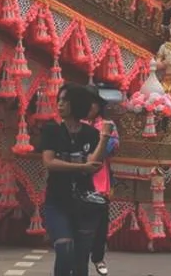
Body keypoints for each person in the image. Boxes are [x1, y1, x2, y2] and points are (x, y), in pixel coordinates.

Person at [40, 83, 108, 276]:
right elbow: (49, 161)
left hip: (84, 203)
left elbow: (94, 164)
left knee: (80, 260)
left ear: (76, 104)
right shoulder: (52, 130)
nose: (60, 105)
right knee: (64, 248)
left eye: (65, 101)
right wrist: (81, 167)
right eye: (59, 100)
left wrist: (104, 138)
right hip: (57, 201)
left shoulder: (91, 134)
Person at [84, 87, 118, 276]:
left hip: (99, 176)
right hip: (75, 175)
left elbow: (111, 148)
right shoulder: (72, 123)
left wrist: (101, 140)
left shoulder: (107, 124)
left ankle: (98, 257)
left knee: (100, 221)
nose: (89, 106)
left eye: (93, 102)